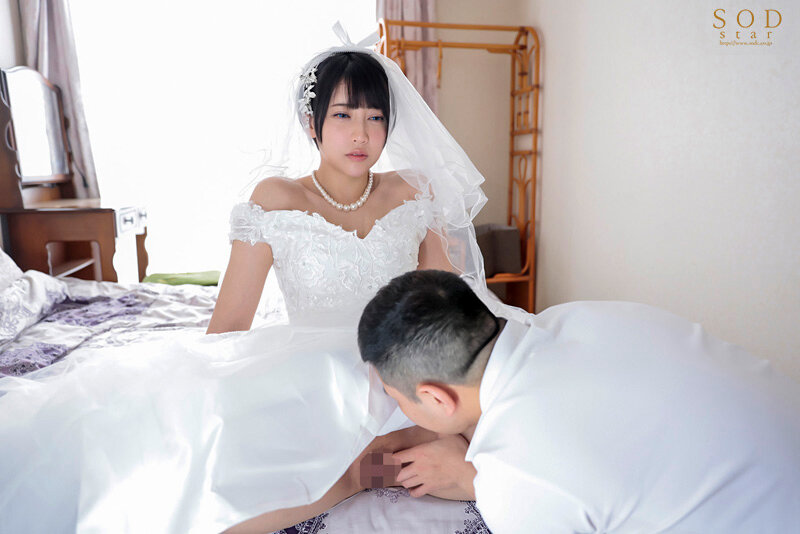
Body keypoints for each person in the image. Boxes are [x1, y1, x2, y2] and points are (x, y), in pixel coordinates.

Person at [0, 26, 491, 533]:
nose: (361, 135)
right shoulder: (275, 198)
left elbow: (447, 302)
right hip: (317, 369)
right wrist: (213, 389)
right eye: (343, 115)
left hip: (399, 363)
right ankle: (359, 472)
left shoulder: (413, 191)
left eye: (375, 117)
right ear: (312, 122)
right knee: (205, 456)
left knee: (484, 416)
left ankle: (415, 456)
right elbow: (231, 321)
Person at [359, 270, 800, 534]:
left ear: (436, 398)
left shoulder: (517, 476)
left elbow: (547, 473)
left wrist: (480, 479)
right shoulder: (582, 315)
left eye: (394, 397)